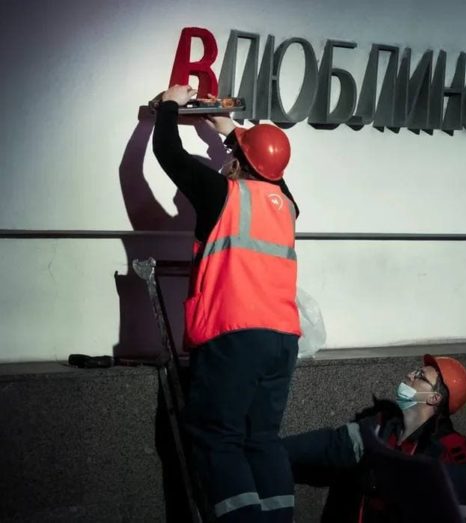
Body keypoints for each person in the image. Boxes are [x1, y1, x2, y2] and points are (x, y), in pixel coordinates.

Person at [153, 84, 301, 522]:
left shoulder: (222, 194)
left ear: (238, 162)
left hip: (234, 338)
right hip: (283, 341)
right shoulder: (287, 207)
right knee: (263, 440)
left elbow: (168, 154)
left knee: (219, 438)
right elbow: (271, 172)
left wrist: (169, 106)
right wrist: (230, 130)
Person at [283, 354, 466, 522]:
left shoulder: (444, 455)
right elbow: (333, 445)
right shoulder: (380, 426)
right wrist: (274, 453)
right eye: (416, 371)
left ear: (434, 398)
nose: (410, 375)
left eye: (420, 376)